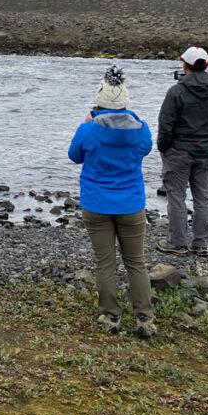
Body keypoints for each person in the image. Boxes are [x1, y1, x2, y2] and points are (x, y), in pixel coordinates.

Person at [68, 66, 156, 338]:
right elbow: (146, 149)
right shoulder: (141, 130)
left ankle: (110, 317)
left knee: (104, 262)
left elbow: (75, 156)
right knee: (135, 262)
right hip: (130, 203)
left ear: (99, 102)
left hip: (96, 203)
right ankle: (144, 318)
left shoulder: (88, 130)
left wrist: (88, 122)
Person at [155, 46, 208, 257]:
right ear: (207, 65)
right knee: (203, 198)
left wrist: (163, 148)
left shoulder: (176, 91)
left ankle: (177, 243)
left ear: (184, 64)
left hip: (179, 151)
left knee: (176, 196)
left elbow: (165, 124)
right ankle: (201, 244)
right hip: (206, 150)